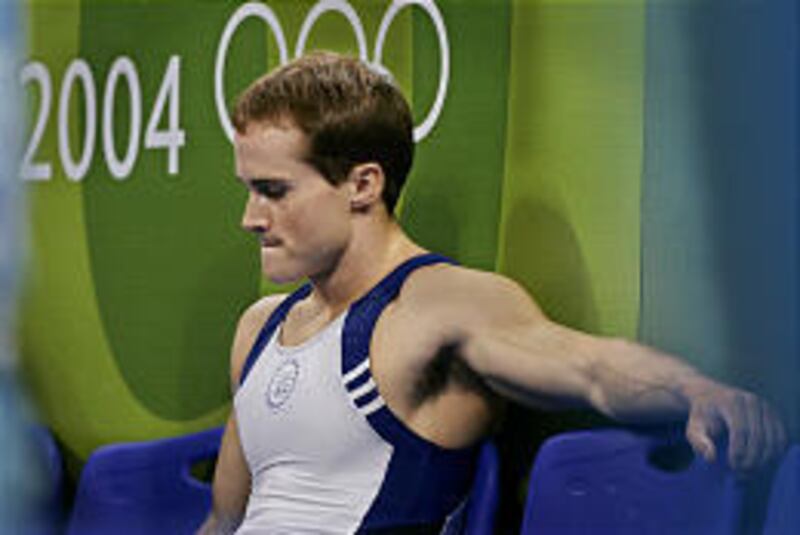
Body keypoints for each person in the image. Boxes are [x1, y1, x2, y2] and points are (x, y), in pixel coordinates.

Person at [198, 51, 786, 534]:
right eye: (249, 189)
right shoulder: (259, 328)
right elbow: (226, 520)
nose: (251, 217)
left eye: (274, 190)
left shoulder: (435, 306)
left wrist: (691, 389)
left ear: (363, 184)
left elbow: (590, 368)